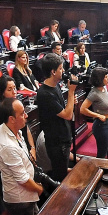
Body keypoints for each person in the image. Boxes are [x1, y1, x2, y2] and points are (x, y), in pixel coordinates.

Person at [0, 98, 43, 215]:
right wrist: (39, 189)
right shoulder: (7, 145)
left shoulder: (8, 128)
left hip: (27, 194)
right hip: (21, 200)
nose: (26, 115)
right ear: (11, 119)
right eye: (22, 113)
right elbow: (23, 180)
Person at [37, 53, 78, 181]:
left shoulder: (56, 86)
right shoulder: (44, 93)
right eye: (60, 68)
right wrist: (71, 92)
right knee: (61, 177)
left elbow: (63, 109)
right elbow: (67, 115)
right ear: (53, 72)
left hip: (64, 137)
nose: (63, 71)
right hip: (56, 143)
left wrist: (71, 101)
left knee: (64, 171)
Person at [80, 68, 108, 160]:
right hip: (101, 125)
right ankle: (99, 169)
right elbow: (82, 109)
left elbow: (106, 105)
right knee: (102, 153)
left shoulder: (104, 88)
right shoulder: (94, 93)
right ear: (100, 79)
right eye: (106, 77)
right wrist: (98, 115)